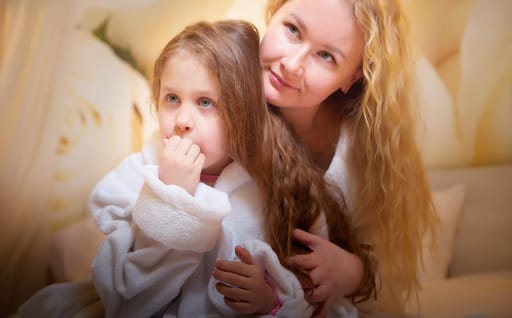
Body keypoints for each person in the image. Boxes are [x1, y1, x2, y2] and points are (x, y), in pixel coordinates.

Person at [19, 19, 375, 318]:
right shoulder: (137, 176)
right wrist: (170, 197)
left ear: (245, 113)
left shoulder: (273, 186)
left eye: (206, 102)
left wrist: (268, 298)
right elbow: (127, 300)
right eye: (172, 98)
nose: (182, 121)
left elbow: (301, 290)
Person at [217, 0, 439, 315]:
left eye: (326, 56)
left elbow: (391, 276)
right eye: (292, 30)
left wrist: (356, 272)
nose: (292, 65)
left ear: (352, 76)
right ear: (274, 10)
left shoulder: (362, 153)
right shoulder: (214, 100)